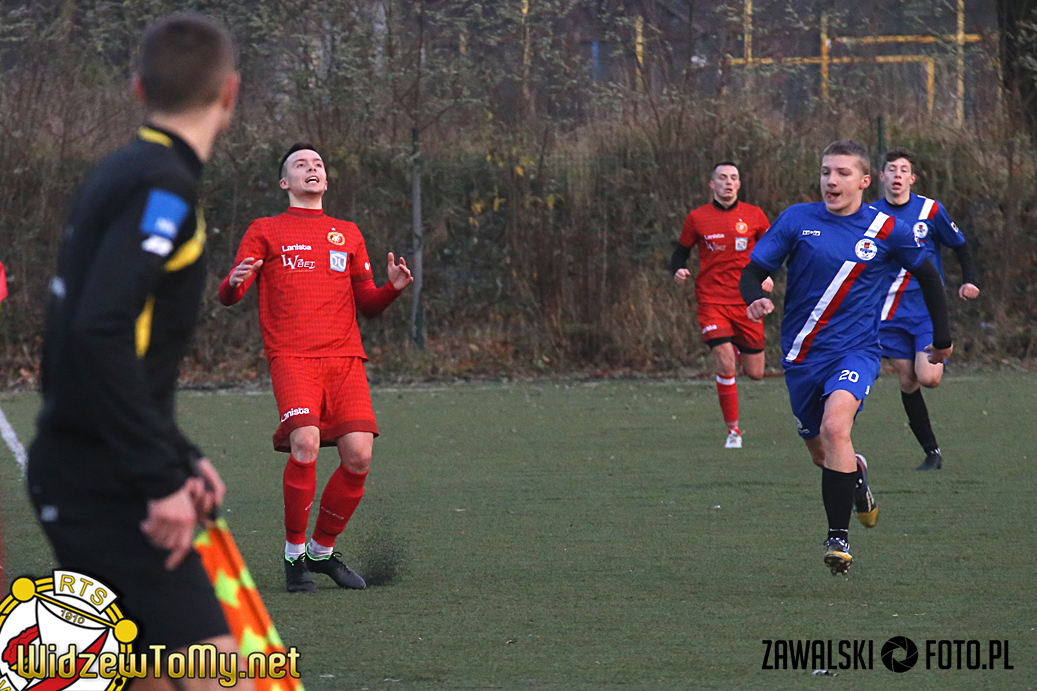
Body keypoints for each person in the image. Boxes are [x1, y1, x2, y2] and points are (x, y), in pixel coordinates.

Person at [27, 13, 251, 690]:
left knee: (149, 675)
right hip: (109, 481)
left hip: (91, 464)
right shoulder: (162, 186)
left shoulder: (122, 171)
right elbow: (99, 330)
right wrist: (159, 478)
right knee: (224, 671)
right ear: (230, 93)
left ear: (137, 89)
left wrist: (177, 454)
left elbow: (103, 339)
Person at [739, 140, 953, 575]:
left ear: (864, 181)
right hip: (801, 356)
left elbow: (929, 277)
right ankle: (857, 478)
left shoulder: (888, 229)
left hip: (856, 351)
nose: (831, 181)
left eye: (841, 173)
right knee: (822, 453)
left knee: (836, 427)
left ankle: (838, 539)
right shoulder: (797, 219)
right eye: (825, 172)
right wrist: (753, 298)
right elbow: (754, 271)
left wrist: (943, 338)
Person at [218, 143, 412, 593]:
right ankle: (293, 556)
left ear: (325, 179)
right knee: (304, 442)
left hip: (345, 358)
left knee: (359, 455)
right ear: (285, 182)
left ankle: (321, 552)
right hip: (292, 357)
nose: (313, 168)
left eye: (319, 164)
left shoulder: (347, 232)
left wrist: (392, 289)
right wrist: (232, 282)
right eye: (301, 164)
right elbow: (231, 294)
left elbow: (368, 304)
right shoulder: (265, 230)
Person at [872, 148, 980, 470]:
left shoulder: (930, 210)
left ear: (912, 178)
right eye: (892, 169)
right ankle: (932, 453)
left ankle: (941, 349)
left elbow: (960, 244)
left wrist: (969, 280)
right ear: (881, 176)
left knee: (928, 378)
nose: (897, 175)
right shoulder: (870, 214)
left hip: (925, 311)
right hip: (888, 313)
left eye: (903, 170)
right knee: (907, 381)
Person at [670, 162, 772, 449]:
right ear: (712, 184)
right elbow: (680, 252)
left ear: (739, 184)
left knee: (756, 373)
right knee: (725, 363)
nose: (728, 182)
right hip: (711, 299)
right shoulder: (697, 217)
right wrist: (678, 269)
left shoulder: (755, 215)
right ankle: (733, 430)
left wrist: (767, 277)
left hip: (746, 301)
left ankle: (737, 345)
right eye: (722, 178)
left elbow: (772, 251)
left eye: (733, 178)